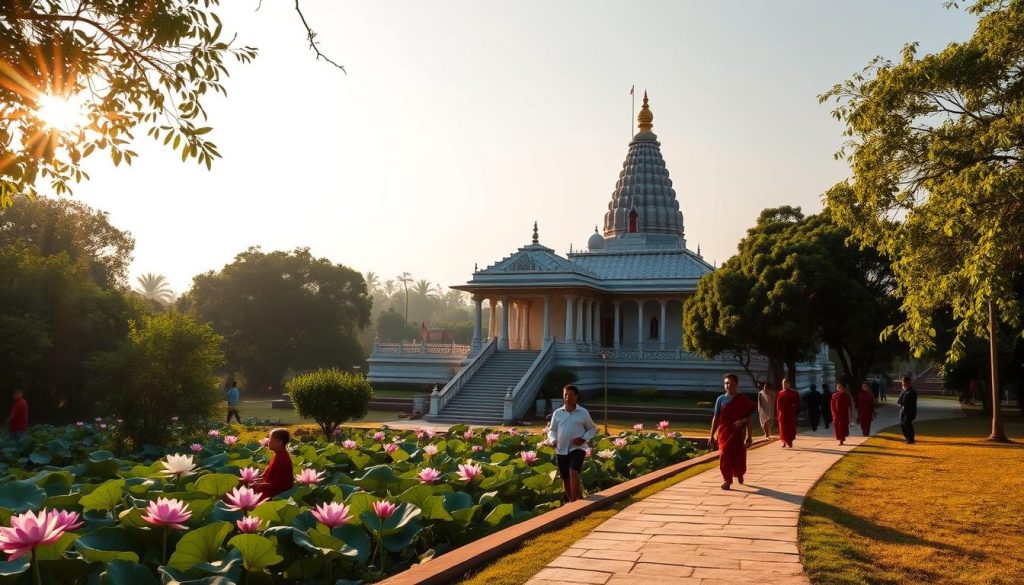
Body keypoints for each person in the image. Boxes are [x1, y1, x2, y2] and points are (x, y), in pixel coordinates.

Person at [547, 384, 597, 502]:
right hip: (561, 449)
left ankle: (574, 502)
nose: (567, 397)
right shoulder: (557, 413)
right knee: (565, 477)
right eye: (565, 395)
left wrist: (584, 438)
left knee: (573, 471)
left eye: (570, 395)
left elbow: (592, 428)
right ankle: (571, 501)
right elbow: (552, 430)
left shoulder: (583, 412)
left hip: (577, 448)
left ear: (576, 396)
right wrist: (553, 440)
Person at [709, 373, 755, 490]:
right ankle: (727, 480)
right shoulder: (720, 399)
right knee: (724, 454)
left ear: (736, 384)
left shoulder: (743, 399)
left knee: (738, 456)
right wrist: (711, 435)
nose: (728, 385)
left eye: (730, 383)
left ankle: (739, 473)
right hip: (724, 433)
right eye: (726, 383)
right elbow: (716, 417)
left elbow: (750, 417)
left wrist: (748, 435)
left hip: (738, 433)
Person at [253, 428, 294, 498]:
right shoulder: (278, 455)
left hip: (275, 496)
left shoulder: (283, 459)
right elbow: (267, 477)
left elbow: (280, 485)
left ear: (280, 442)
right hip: (268, 491)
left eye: (271, 439)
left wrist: (258, 486)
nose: (268, 441)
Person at [776, 378, 800, 448]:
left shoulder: (794, 393)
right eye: (783, 384)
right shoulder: (780, 393)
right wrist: (778, 413)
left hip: (790, 413)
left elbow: (797, 403)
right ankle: (783, 442)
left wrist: (794, 406)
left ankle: (790, 441)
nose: (784, 385)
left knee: (790, 428)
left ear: (788, 384)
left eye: (785, 383)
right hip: (782, 414)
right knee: (782, 428)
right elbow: (778, 404)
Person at [897, 375, 918, 444]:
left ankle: (911, 439)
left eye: (903, 382)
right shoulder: (903, 390)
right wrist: (900, 404)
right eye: (902, 382)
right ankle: (907, 438)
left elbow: (907, 402)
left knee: (907, 423)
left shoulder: (913, 392)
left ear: (907, 383)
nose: (902, 384)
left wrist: (901, 404)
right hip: (903, 411)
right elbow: (899, 400)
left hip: (910, 411)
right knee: (902, 424)